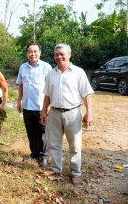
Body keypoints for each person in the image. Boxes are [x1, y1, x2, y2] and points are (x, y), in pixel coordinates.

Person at [40, 43, 93, 185]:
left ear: (69, 55)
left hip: (73, 113)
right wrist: (43, 111)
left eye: (62, 54)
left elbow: (86, 94)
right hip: (54, 113)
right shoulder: (51, 73)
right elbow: (47, 95)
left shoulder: (78, 72)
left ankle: (76, 173)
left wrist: (89, 113)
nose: (59, 57)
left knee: (75, 146)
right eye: (56, 54)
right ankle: (56, 169)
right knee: (54, 144)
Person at [16, 43, 52, 167]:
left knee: (43, 132)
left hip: (41, 106)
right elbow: (21, 85)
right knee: (30, 131)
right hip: (27, 105)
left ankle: (44, 156)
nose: (33, 54)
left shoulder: (46, 67)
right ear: (27, 53)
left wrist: (48, 106)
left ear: (40, 53)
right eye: (30, 51)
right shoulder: (23, 67)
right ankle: (34, 153)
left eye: (35, 51)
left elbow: (51, 87)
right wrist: (19, 101)